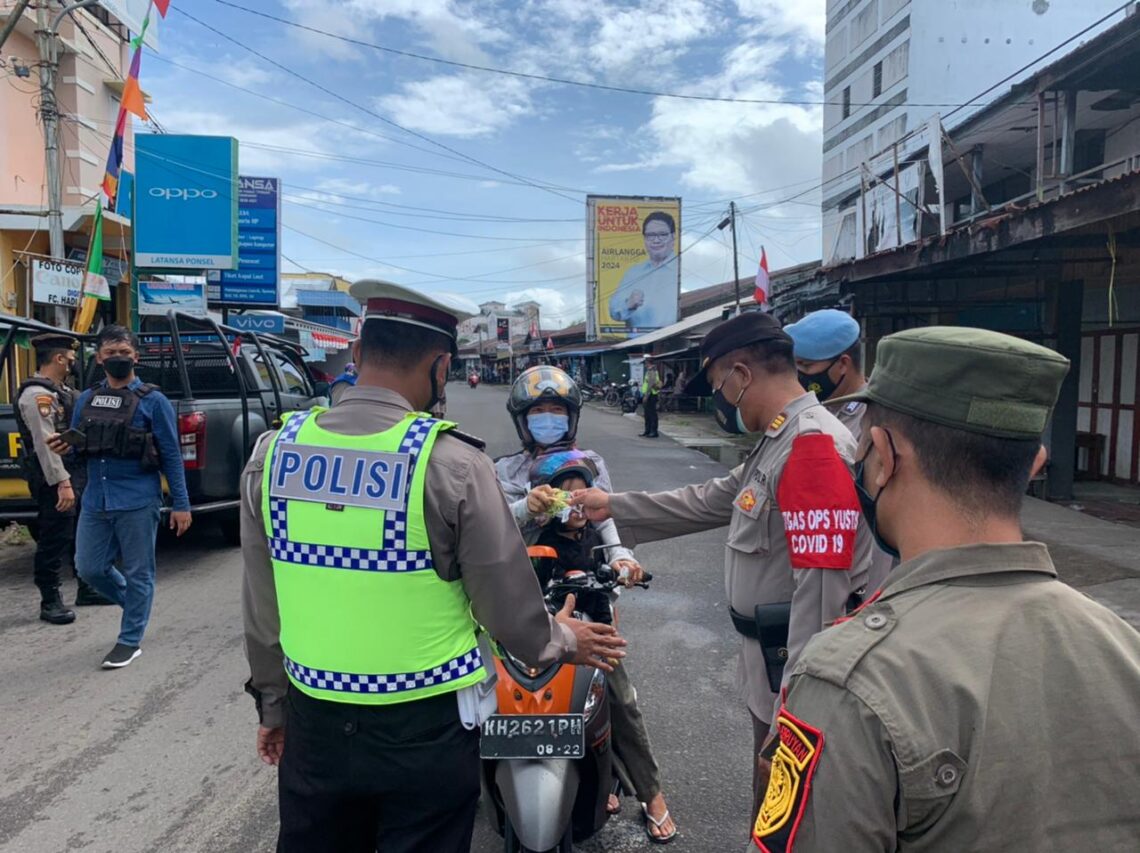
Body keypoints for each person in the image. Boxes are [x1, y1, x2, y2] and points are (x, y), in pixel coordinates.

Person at [239, 281, 627, 853]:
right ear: (441, 366)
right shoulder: (452, 463)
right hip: (426, 731)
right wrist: (562, 639)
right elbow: (506, 605)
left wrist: (274, 706)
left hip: (315, 721)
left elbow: (262, 605)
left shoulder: (273, 454)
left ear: (358, 351)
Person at [751, 326, 1140, 852]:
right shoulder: (1122, 646)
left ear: (884, 458)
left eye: (863, 448)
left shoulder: (846, 680)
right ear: (1035, 464)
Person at [571, 312, 871, 817]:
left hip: (791, 680)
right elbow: (709, 499)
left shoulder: (812, 448)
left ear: (741, 374)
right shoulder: (781, 439)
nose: (720, 399)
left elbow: (822, 602)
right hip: (769, 666)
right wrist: (613, 505)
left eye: (717, 385)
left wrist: (792, 730)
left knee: (785, 820)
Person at [494, 365, 677, 840]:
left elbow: (605, 520)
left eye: (557, 411)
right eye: (539, 412)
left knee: (617, 695)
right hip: (524, 605)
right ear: (522, 419)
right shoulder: (504, 471)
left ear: (572, 417)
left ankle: (649, 792)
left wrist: (621, 560)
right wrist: (525, 509)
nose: (548, 420)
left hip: (586, 597)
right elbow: (490, 533)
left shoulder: (589, 461)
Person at [529, 449, 678, 844]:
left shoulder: (599, 537)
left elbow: (622, 558)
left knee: (622, 703)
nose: (575, 503)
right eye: (565, 495)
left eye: (582, 494)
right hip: (544, 637)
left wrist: (627, 569)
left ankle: (651, 794)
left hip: (595, 635)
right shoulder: (534, 538)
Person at [46, 325, 192, 668]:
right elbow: (80, 446)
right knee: (89, 567)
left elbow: (171, 454)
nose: (117, 359)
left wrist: (182, 504)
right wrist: (64, 447)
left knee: (140, 572)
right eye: (111, 354)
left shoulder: (154, 402)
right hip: (96, 499)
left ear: (136, 357)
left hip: (138, 498)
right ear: (98, 358)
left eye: (124, 354)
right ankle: (138, 606)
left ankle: (129, 640)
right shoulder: (86, 399)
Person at [785, 309, 892, 592]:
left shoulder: (876, 421)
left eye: (806, 367)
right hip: (810, 571)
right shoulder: (807, 412)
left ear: (842, 364)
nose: (800, 377)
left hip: (859, 579)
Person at [14, 333, 82, 624]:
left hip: (70, 471)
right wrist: (62, 483)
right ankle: (49, 599)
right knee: (55, 536)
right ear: (58, 358)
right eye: (70, 359)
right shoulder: (37, 395)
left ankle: (87, 588)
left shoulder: (60, 390)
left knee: (77, 531)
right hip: (52, 478)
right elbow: (46, 443)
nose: (72, 364)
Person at [784, 308, 868, 439]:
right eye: (795, 366)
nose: (799, 374)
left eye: (806, 365)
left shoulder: (872, 419)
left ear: (843, 364)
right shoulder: (810, 410)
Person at [609, 212, 679, 330]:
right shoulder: (633, 273)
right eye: (650, 235)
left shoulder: (681, 270)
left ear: (673, 237)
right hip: (636, 344)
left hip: (673, 342)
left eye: (662, 234)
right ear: (644, 239)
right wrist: (628, 305)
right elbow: (614, 311)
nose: (656, 240)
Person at [640, 357, 662, 438]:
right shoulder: (649, 371)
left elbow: (651, 384)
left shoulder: (652, 371)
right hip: (648, 394)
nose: (645, 365)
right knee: (647, 414)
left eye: (645, 363)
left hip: (651, 395)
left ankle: (653, 431)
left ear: (649, 363)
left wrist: (646, 395)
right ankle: (647, 430)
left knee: (652, 414)